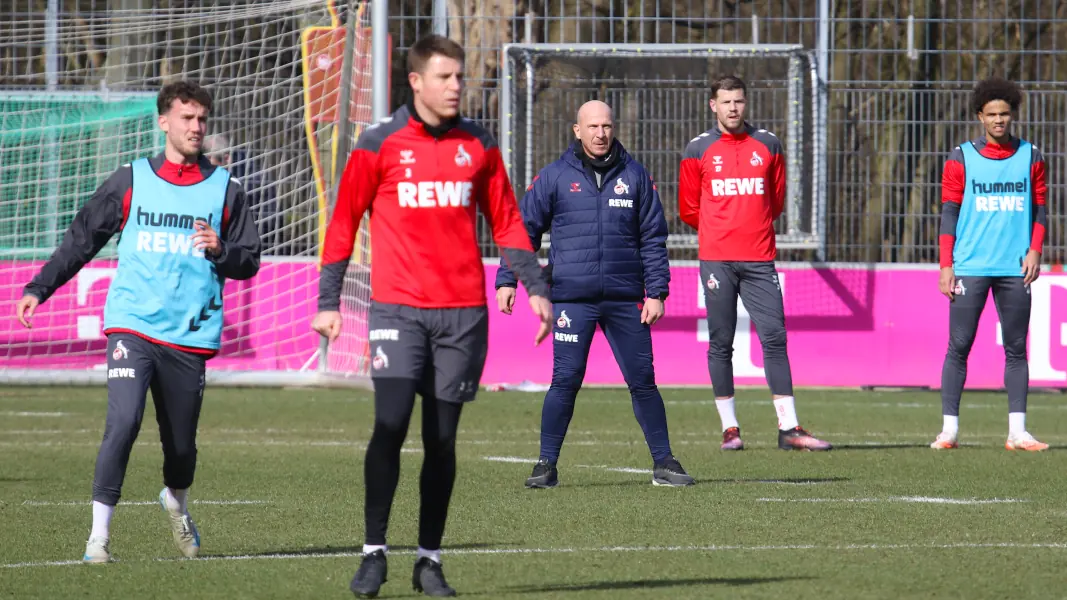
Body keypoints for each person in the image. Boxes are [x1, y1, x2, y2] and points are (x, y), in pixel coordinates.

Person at [311, 35, 552, 598]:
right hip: (397, 309)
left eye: (460, 77)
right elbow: (343, 224)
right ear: (415, 81)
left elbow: (509, 223)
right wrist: (328, 301)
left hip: (463, 317)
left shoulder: (479, 144)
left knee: (441, 441)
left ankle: (428, 560)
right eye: (444, 78)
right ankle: (374, 553)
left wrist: (537, 286)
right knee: (390, 424)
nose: (455, 87)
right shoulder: (378, 144)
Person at [14, 81, 262, 563]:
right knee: (123, 421)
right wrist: (38, 288)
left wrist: (222, 249)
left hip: (188, 336)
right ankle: (98, 538)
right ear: (163, 122)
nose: (196, 127)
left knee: (182, 449)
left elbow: (249, 260)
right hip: (132, 326)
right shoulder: (131, 180)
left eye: (202, 119)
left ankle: (176, 500)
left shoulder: (226, 189)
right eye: (186, 118)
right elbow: (82, 238)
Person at [496, 100, 694, 488]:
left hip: (625, 300)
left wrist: (657, 292)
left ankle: (665, 463)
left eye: (606, 126)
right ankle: (546, 465)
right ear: (577, 130)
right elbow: (523, 233)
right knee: (565, 380)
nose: (600, 133)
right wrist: (507, 278)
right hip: (572, 299)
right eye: (593, 127)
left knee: (643, 380)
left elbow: (653, 239)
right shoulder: (553, 177)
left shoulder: (636, 176)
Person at [678, 75, 831, 452]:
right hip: (717, 260)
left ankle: (789, 428)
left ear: (746, 104)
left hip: (760, 259)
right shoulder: (696, 150)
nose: (733, 108)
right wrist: (722, 229)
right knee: (721, 342)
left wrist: (748, 227)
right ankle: (730, 429)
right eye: (726, 102)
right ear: (712, 105)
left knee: (774, 338)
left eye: (739, 101)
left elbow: (775, 202)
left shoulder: (768, 145)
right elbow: (688, 209)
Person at [933, 77, 1048, 451]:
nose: (999, 120)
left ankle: (1018, 432)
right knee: (959, 345)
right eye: (991, 114)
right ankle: (949, 430)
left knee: (1016, 348)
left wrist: (1035, 250)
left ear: (1012, 114)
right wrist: (946, 265)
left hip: (1016, 268)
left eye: (1005, 113)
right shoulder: (960, 157)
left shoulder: (1031, 155)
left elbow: (1040, 209)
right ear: (980, 116)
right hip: (970, 266)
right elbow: (949, 213)